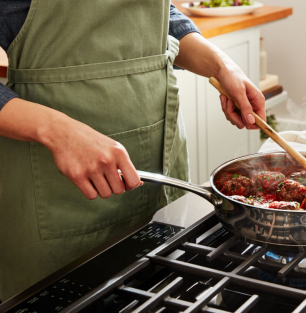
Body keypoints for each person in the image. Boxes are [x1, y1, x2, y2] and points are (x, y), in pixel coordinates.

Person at [0, 0, 265, 301]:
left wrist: (220, 65)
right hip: (60, 196)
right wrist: (57, 132)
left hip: (163, 168)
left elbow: (161, 16)